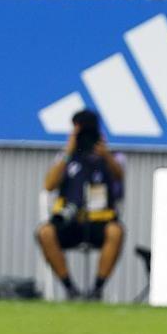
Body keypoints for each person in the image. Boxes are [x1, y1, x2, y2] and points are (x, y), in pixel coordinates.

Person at [38, 109, 125, 301]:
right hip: (70, 219)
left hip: (100, 221)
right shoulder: (65, 157)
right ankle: (71, 289)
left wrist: (105, 155)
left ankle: (96, 290)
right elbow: (49, 185)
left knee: (116, 232)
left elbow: (120, 177)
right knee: (45, 233)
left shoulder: (112, 157)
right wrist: (69, 152)